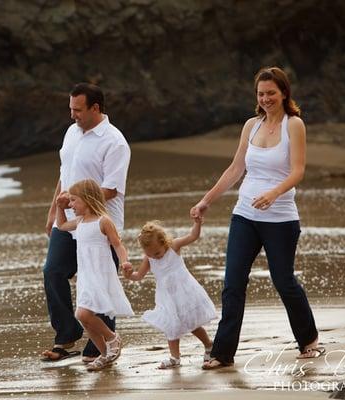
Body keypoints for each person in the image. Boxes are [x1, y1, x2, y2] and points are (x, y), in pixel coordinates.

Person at [190, 66, 323, 370]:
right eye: (261, 94)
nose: (265, 99)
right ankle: (223, 353)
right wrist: (206, 201)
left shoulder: (295, 125)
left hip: (281, 218)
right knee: (233, 283)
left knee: (283, 280)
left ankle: (309, 340)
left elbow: (298, 171)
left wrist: (273, 194)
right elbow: (236, 169)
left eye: (271, 93)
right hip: (245, 216)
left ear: (284, 93)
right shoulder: (251, 125)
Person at [41, 83, 131, 363]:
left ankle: (101, 346)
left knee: (98, 281)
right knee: (53, 271)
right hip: (67, 220)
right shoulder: (71, 132)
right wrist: (54, 208)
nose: (72, 115)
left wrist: (75, 200)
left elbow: (112, 189)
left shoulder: (114, 142)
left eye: (78, 110)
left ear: (96, 108)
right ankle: (67, 335)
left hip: (100, 223)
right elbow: (64, 174)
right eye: (70, 109)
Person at [55, 179, 134, 371]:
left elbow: (117, 244)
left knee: (82, 313)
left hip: (100, 273)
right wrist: (59, 206)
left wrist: (124, 261)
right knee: (83, 317)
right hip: (86, 275)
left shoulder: (103, 221)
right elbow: (62, 225)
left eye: (74, 200)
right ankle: (105, 355)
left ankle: (112, 338)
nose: (71, 205)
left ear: (88, 199)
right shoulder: (80, 222)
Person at [122, 218, 217, 369]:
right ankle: (175, 357)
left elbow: (193, 236)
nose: (155, 256)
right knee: (170, 326)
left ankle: (209, 345)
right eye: (150, 254)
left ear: (164, 241)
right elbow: (138, 276)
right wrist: (128, 275)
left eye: (157, 252)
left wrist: (197, 223)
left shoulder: (174, 246)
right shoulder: (149, 258)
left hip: (184, 292)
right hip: (166, 297)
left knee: (191, 322)